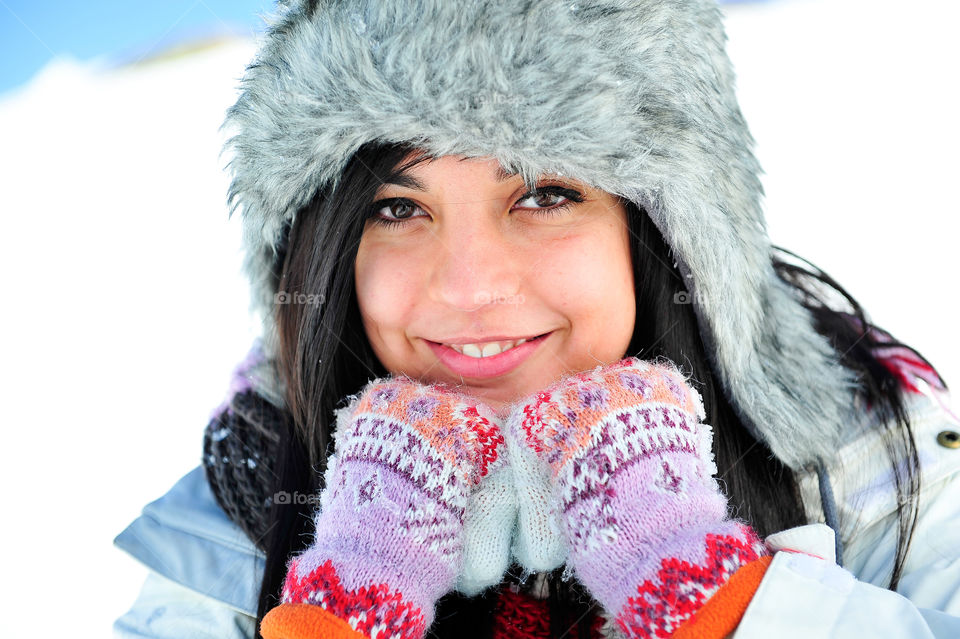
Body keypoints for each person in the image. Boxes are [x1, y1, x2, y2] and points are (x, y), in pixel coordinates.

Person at [112, 0, 960, 637]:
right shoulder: (245, 504)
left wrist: (723, 599)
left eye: (546, 193)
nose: (471, 287)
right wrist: (345, 607)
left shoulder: (878, 465)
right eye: (399, 209)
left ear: (669, 233)